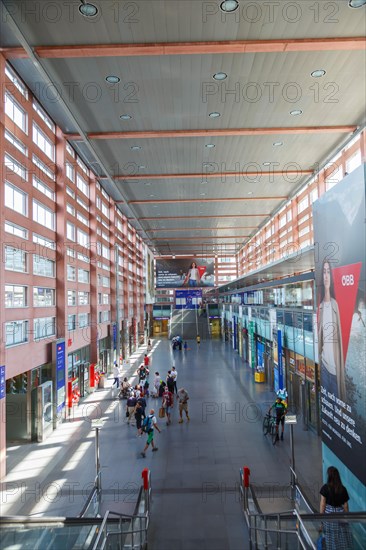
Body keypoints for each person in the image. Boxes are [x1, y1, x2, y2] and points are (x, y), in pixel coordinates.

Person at [318, 260, 346, 401]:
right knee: (327, 413)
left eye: (329, 271)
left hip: (335, 373)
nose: (326, 276)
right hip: (324, 368)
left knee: (337, 415)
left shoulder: (336, 305)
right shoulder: (321, 306)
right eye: (324, 272)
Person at [319, 466, 353, 549]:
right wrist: (346, 518)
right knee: (342, 538)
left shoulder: (325, 488)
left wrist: (321, 521)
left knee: (331, 538)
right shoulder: (343, 489)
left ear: (329, 476)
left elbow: (323, 504)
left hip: (329, 516)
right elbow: (345, 506)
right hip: (340, 516)